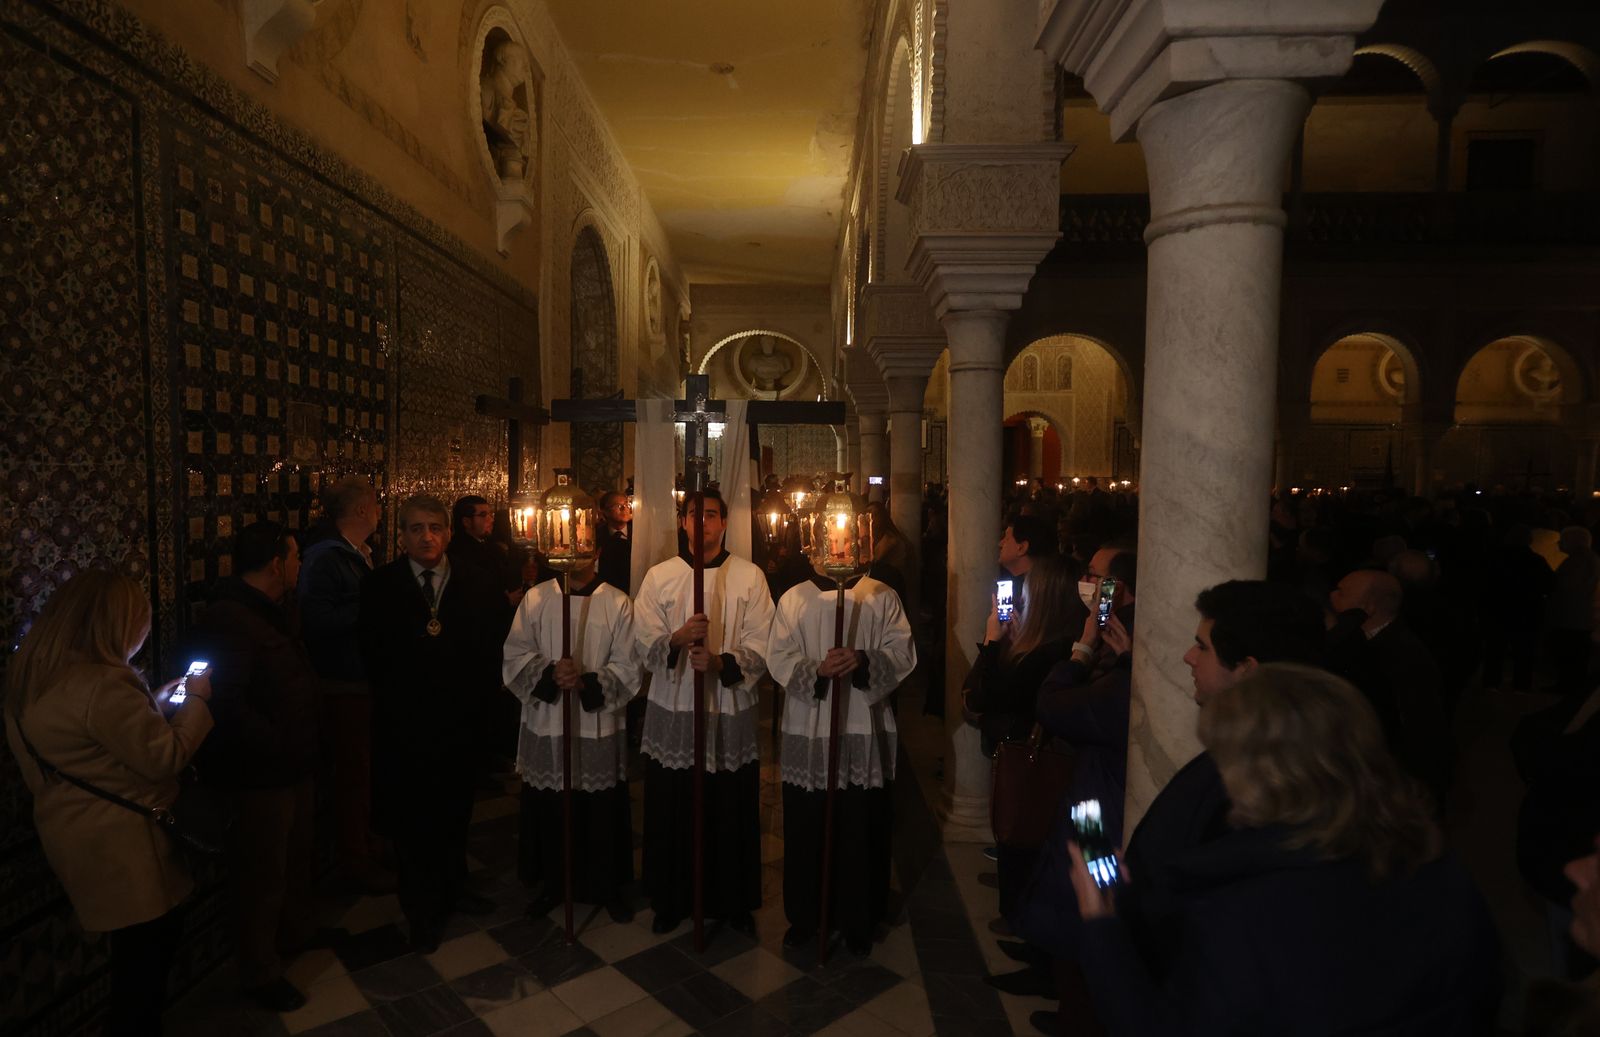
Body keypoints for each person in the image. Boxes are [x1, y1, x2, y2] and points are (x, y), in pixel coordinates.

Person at [1068, 663, 1501, 1035]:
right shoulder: (1441, 872)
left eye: (1224, 756)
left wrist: (1101, 925)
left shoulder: (1244, 917)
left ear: (1259, 774)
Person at [5, 571, 215, 1037]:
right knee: (144, 970)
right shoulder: (103, 683)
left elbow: (89, 745)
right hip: (128, 847)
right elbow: (165, 757)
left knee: (131, 962)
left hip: (72, 835)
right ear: (119, 622)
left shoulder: (30, 677)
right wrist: (197, 701)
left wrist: (155, 703)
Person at [358, 495, 507, 952]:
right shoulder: (380, 586)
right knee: (414, 819)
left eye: (435, 528)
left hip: (460, 719)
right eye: (416, 528)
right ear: (401, 536)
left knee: (455, 809)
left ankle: (454, 885)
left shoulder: (477, 581)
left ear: (448, 532)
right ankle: (421, 908)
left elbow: (493, 647)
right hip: (407, 724)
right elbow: (371, 652)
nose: (427, 537)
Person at [187, 522, 319, 1012]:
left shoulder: (269, 612)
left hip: (289, 765)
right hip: (258, 776)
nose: (300, 564)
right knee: (261, 875)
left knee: (291, 860)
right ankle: (259, 970)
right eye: (295, 556)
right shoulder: (230, 620)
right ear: (275, 564)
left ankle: (296, 934)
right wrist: (279, 744)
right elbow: (225, 702)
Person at [633, 489, 775, 934]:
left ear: (725, 523)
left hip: (726, 708)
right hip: (676, 706)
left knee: (728, 808)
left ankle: (731, 903)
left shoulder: (749, 577)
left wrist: (720, 663)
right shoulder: (660, 577)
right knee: (673, 805)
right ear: (683, 522)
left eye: (712, 515)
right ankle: (671, 899)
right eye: (694, 515)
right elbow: (641, 638)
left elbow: (763, 641)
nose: (703, 523)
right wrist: (675, 640)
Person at [767, 549, 916, 955]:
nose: (838, 545)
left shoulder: (880, 595)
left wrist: (864, 659)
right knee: (806, 825)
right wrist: (815, 669)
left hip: (861, 725)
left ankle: (859, 918)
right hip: (810, 724)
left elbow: (902, 652)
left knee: (859, 824)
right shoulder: (794, 597)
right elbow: (778, 656)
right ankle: (806, 915)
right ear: (814, 542)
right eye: (829, 535)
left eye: (846, 535)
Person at [503, 553, 639, 923]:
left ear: (595, 552)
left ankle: (605, 884)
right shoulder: (538, 598)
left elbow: (629, 665)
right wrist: (549, 674)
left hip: (596, 723)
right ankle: (553, 883)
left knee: (600, 806)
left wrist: (584, 682)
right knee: (551, 804)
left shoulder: (617, 601)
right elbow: (514, 655)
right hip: (550, 720)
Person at [963, 555, 1077, 920]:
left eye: (1028, 589)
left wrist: (992, 642)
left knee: (1021, 832)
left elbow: (983, 695)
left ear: (1042, 597)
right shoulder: (1050, 645)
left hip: (1029, 758)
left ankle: (1023, 921)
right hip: (1029, 752)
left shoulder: (1045, 655)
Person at [298, 475, 391, 892]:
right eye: (374, 504)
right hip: (341, 683)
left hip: (360, 678)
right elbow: (315, 622)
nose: (378, 512)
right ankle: (354, 861)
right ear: (359, 511)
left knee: (365, 768)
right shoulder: (326, 558)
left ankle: (365, 843)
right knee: (352, 773)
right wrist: (372, 610)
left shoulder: (355, 554)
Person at [1326, 568, 1448, 806]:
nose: (1332, 596)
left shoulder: (1401, 656)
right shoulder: (1371, 642)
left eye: (1342, 592)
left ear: (1369, 606)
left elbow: (1419, 727)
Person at [1549, 526, 1599, 696]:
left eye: (1562, 540)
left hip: (1573, 616)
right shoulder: (1587, 558)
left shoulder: (1579, 561)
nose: (1559, 544)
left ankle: (1568, 686)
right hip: (1579, 616)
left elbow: (1569, 588)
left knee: (1570, 653)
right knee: (1575, 654)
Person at [596, 490, 634, 593]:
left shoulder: (638, 533)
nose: (624, 509)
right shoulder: (596, 536)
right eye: (618, 506)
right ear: (605, 511)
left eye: (626, 504)